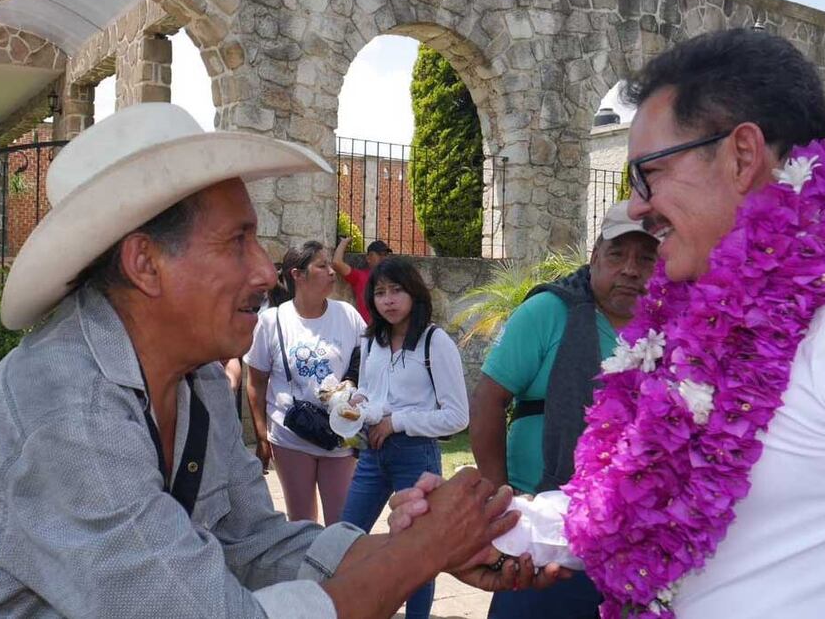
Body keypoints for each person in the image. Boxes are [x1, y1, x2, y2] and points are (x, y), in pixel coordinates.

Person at [0, 103, 544, 618]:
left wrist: (416, 547)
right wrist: (420, 550)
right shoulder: (69, 415)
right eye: (238, 241)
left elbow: (251, 542)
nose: (266, 271)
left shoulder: (195, 378)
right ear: (145, 263)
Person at [401, 28, 825, 618]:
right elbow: (635, 499)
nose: (638, 205)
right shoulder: (692, 320)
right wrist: (492, 530)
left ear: (742, 155)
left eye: (649, 173)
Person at [468, 200, 659, 618]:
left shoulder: (668, 330)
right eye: (617, 254)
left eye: (646, 259)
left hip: (635, 541)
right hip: (546, 536)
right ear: (594, 258)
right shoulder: (548, 313)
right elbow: (487, 400)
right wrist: (504, 500)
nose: (630, 269)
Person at [339, 256, 470, 619]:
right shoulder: (371, 342)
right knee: (342, 538)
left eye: (397, 290)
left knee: (416, 551)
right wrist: (349, 404)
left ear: (414, 293)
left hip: (415, 454)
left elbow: (457, 417)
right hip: (372, 452)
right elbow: (368, 394)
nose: (389, 300)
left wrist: (397, 422)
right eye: (380, 292)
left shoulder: (434, 342)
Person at [244, 241, 363, 525]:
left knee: (341, 523)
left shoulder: (348, 316)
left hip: (339, 436)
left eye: (329, 265)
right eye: (321, 265)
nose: (331, 271)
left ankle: (338, 571)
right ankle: (307, 571)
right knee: (301, 524)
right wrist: (262, 435)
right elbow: (256, 383)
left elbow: (368, 365)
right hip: (290, 437)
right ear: (297, 274)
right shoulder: (272, 321)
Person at [333, 237, 392, 322]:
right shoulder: (360, 276)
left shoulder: (394, 277)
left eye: (385, 254)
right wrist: (344, 242)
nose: (383, 258)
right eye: (379, 254)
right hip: (367, 330)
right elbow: (336, 263)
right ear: (368, 258)